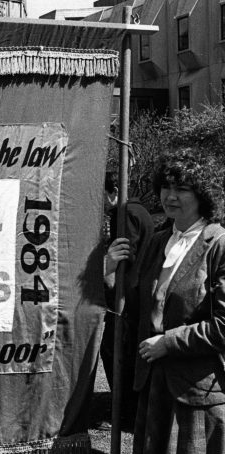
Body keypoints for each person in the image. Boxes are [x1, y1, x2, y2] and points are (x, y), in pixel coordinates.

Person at [106, 148, 225, 454]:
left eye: (182, 189)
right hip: (154, 384)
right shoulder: (159, 241)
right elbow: (134, 309)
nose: (170, 196)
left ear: (202, 195)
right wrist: (110, 272)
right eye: (166, 187)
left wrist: (168, 342)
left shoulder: (218, 244)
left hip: (196, 390)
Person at [101, 171, 154, 425]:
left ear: (113, 192)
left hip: (127, 295)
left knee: (115, 350)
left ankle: (125, 410)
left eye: (102, 195)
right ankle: (128, 408)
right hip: (137, 291)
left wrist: (108, 271)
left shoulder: (124, 213)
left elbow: (125, 255)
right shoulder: (139, 211)